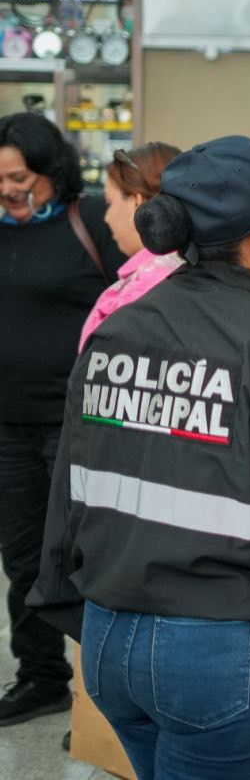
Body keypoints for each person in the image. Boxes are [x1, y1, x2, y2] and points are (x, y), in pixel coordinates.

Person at [28, 136, 250, 780]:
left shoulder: (115, 332)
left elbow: (69, 490)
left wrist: (72, 608)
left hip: (109, 640)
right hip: (218, 657)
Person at [0, 112, 126, 726]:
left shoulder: (92, 219)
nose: (8, 189)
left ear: (52, 172)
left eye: (19, 177)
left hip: (77, 423)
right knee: (23, 558)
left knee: (83, 553)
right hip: (7, 423)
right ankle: (42, 675)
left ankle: (106, 692)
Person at [79, 143, 183, 350]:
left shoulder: (141, 291)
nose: (106, 218)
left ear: (138, 202)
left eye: (109, 202)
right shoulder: (193, 269)